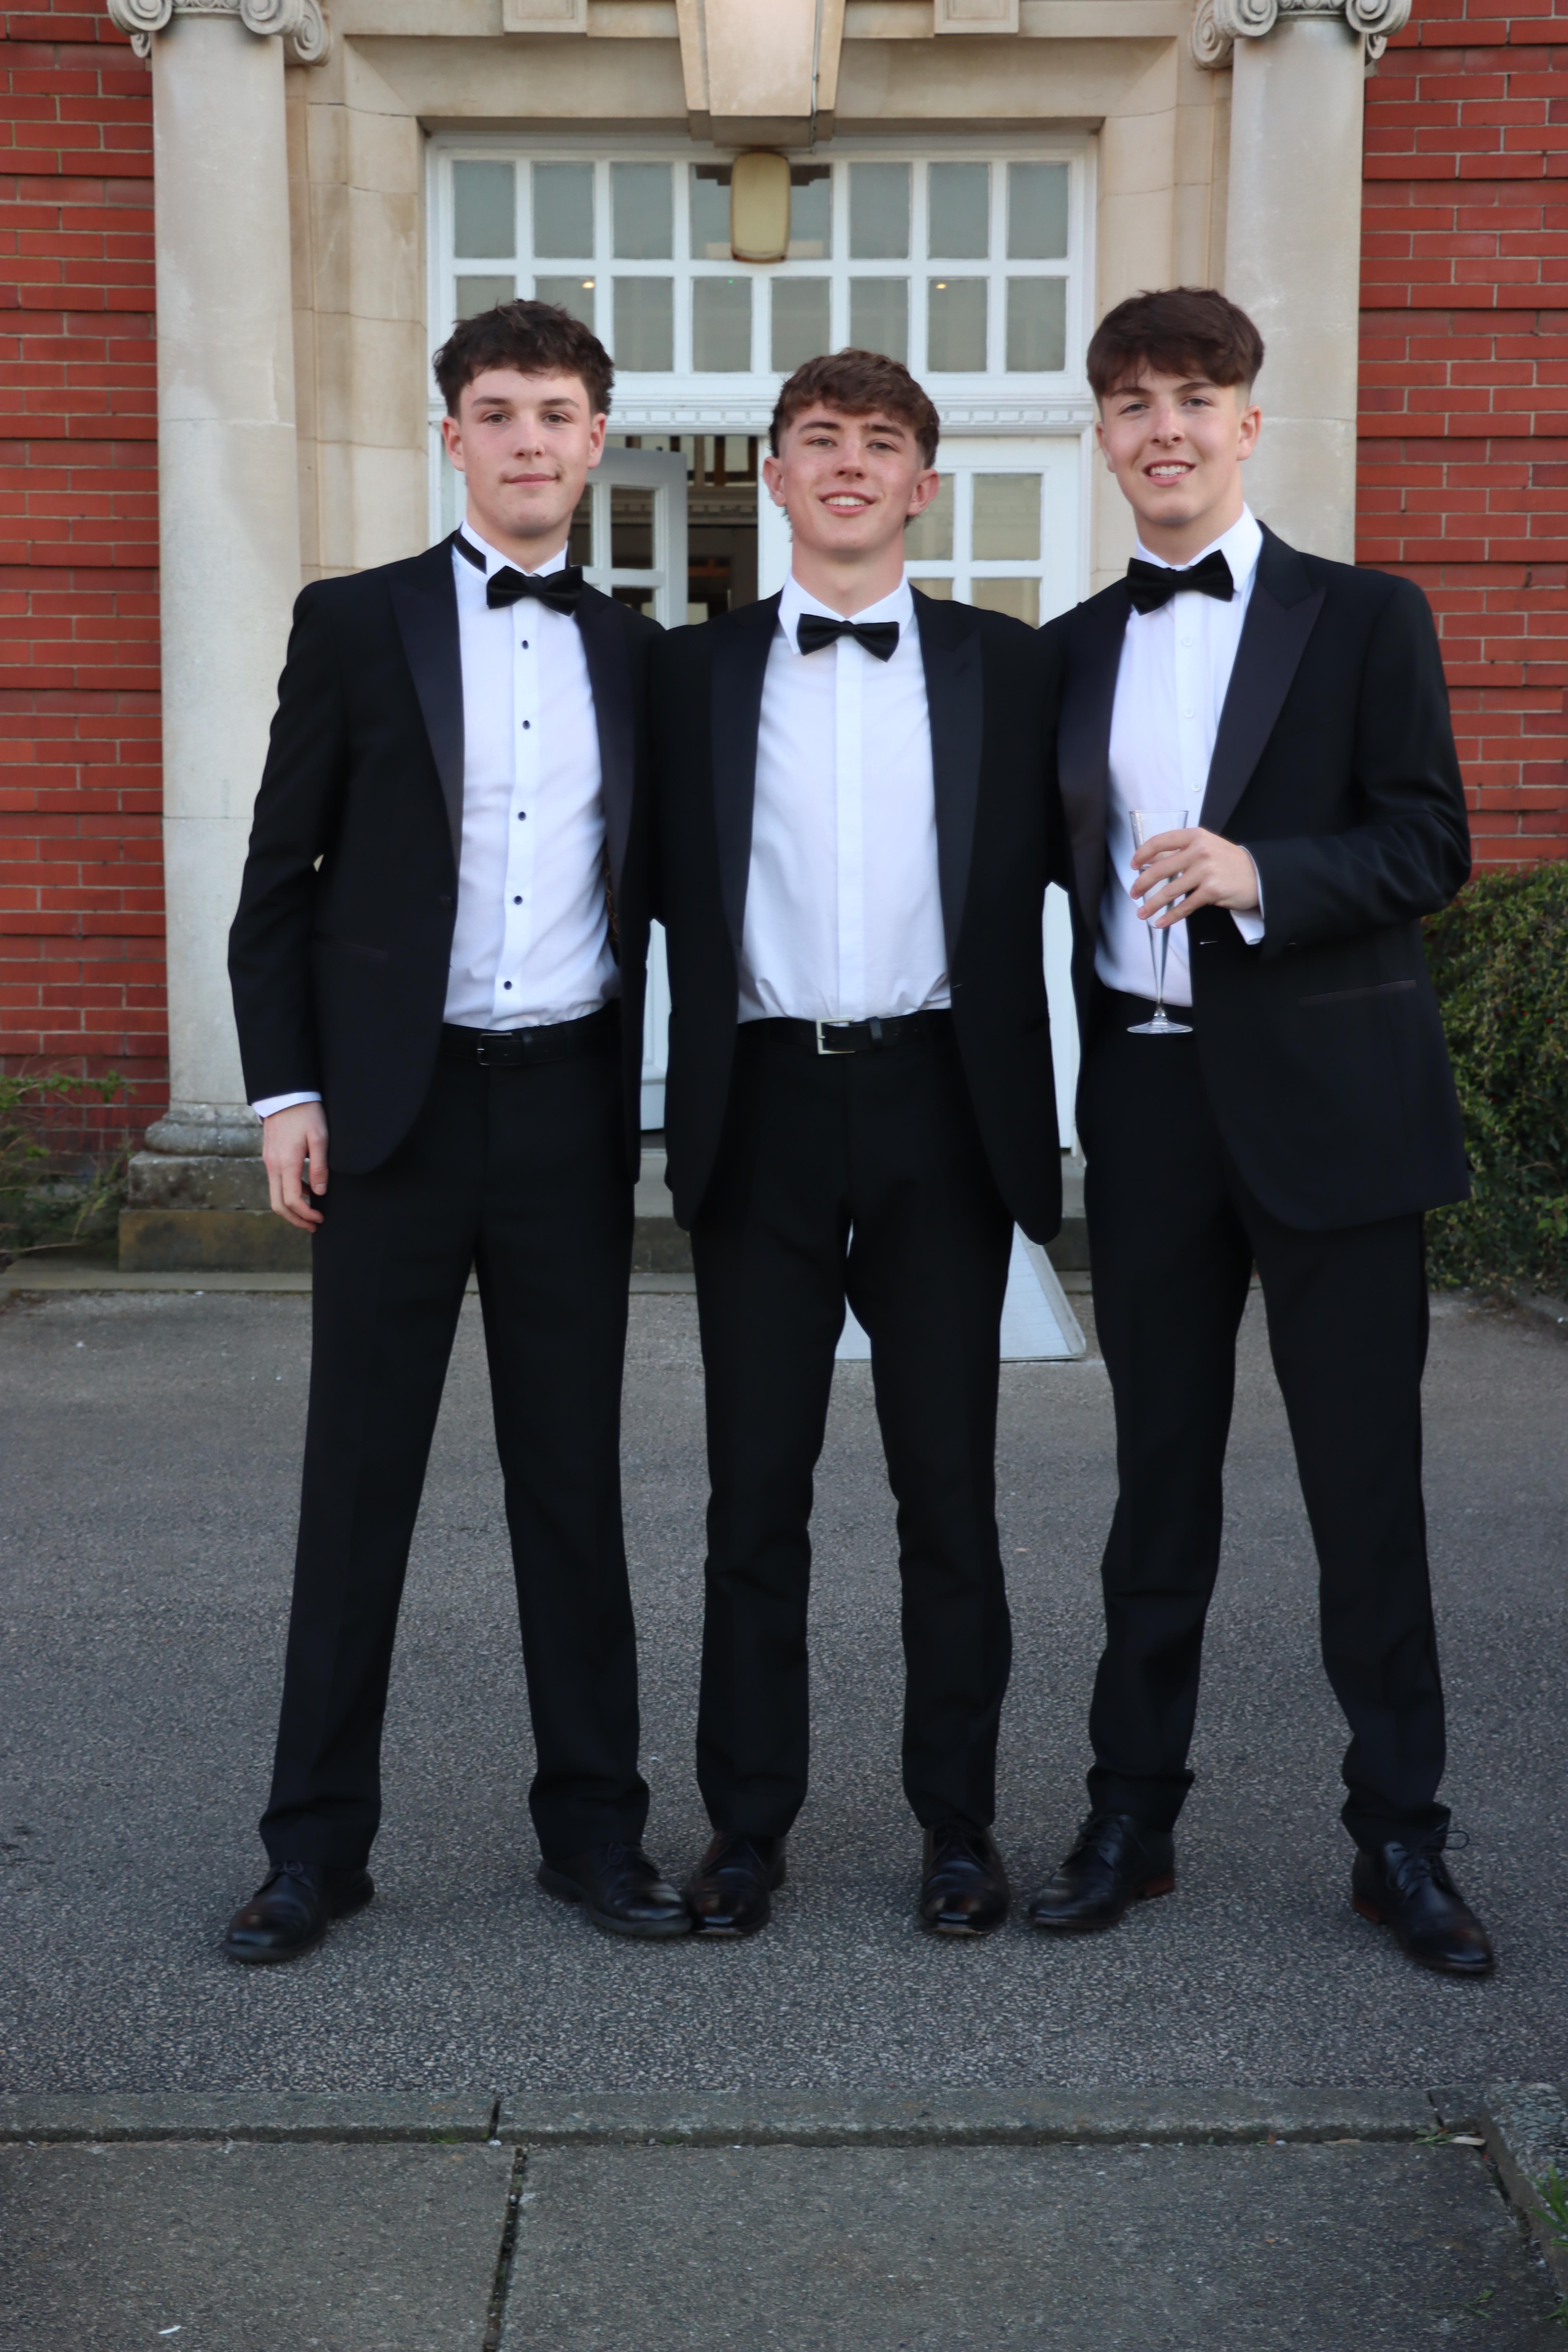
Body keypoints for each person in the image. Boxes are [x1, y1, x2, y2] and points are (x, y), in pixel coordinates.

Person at [1030, 286, 1493, 1978]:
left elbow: (1427, 843)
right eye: (1131, 402)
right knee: (1156, 1485)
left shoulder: (1363, 615)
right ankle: (1129, 1817)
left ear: (1244, 421)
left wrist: (1259, 875)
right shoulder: (1066, 648)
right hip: (1146, 1106)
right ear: (1101, 435)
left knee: (1362, 1492)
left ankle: (1399, 1838)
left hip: (1333, 1113)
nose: (1161, 428)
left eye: (1192, 397)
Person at [222, 301, 688, 1960]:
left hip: (565, 1112)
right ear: (454, 438)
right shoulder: (355, 623)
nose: (527, 441)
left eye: (555, 414)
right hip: (392, 1121)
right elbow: (280, 880)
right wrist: (286, 1093)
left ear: (595, 440)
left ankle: (597, 1837)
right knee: (357, 1490)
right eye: (497, 412)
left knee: (572, 1489)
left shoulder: (640, 655)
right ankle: (313, 1851)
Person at [651, 351, 1062, 1939]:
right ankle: (744, 1826)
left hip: (938, 1105)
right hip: (758, 1102)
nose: (845, 464)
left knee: (945, 1493)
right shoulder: (682, 676)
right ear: (771, 476)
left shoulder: (1009, 669)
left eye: (878, 443)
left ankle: (957, 1826)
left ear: (921, 487)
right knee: (754, 1494)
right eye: (816, 439)